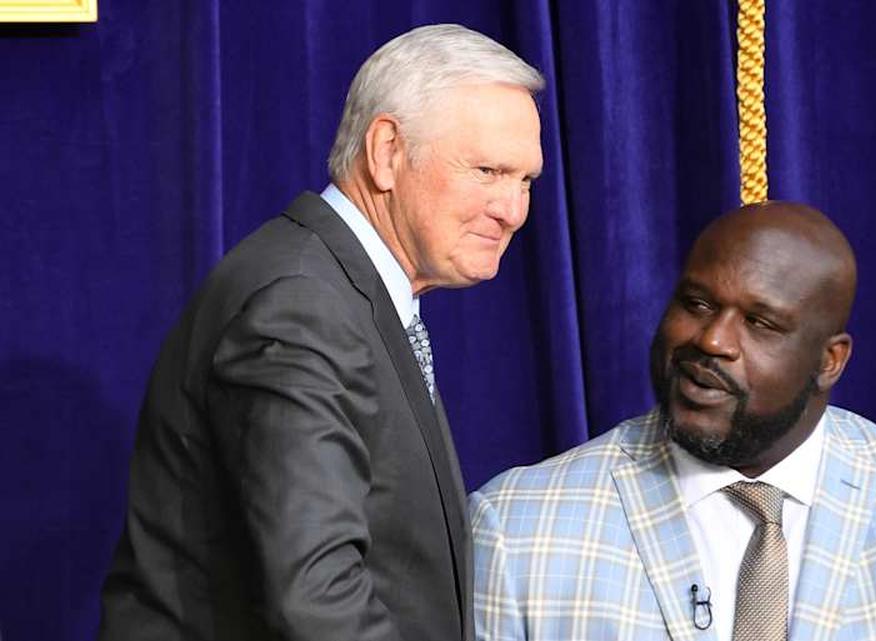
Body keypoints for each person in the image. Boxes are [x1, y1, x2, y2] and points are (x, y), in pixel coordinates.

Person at [99, 24, 544, 641]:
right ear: (386, 151)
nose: (513, 210)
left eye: (525, 181)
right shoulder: (300, 304)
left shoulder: (344, 292)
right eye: (489, 170)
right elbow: (316, 600)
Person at [470, 202, 876, 640]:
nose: (712, 340)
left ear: (829, 361)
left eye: (760, 324)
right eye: (697, 303)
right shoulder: (517, 526)